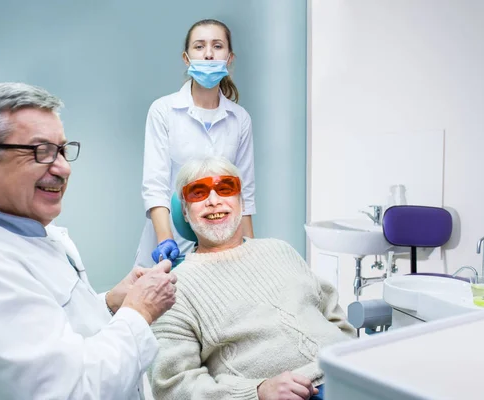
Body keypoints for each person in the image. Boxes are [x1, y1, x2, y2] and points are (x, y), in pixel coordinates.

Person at [0, 82, 177, 400]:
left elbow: (50, 332)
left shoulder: (23, 229)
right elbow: (70, 392)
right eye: (40, 151)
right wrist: (139, 312)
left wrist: (111, 304)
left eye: (61, 150)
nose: (63, 168)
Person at [147, 156, 357, 400]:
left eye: (225, 188)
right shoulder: (173, 289)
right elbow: (172, 386)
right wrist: (256, 392)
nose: (214, 201)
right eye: (198, 193)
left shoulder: (281, 250)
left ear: (241, 200)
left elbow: (334, 316)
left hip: (352, 373)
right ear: (184, 210)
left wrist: (353, 356)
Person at [136, 18, 256, 268]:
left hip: (220, 238)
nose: (209, 54)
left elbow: (244, 193)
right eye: (200, 46)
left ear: (229, 57)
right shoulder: (163, 110)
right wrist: (165, 241)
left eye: (217, 46)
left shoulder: (239, 118)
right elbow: (155, 186)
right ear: (186, 58)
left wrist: (251, 251)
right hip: (169, 237)